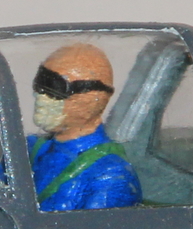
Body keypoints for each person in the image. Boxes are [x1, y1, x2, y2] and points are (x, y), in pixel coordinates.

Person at [24, 43, 141, 211]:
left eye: (56, 87)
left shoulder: (110, 178)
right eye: (40, 82)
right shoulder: (33, 149)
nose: (41, 96)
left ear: (93, 97)